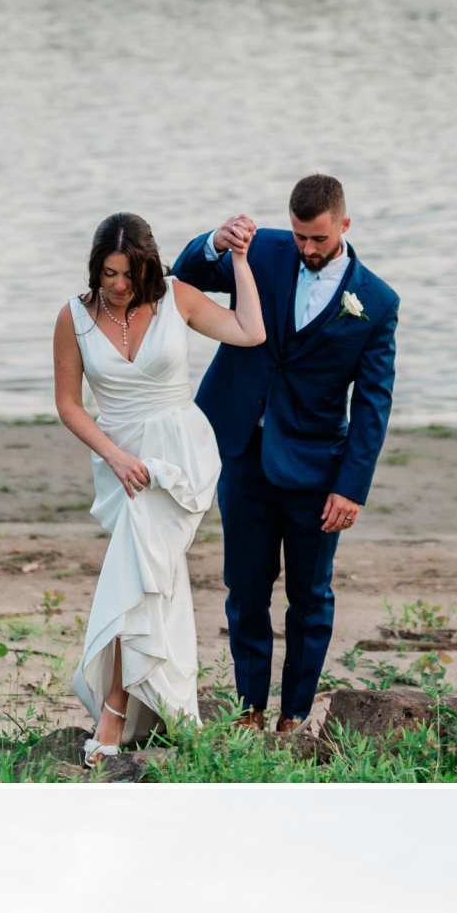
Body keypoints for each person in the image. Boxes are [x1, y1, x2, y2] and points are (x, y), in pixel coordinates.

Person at [172, 175, 399, 732]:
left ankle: (293, 715)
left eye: (318, 239)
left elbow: (373, 403)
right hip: (242, 451)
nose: (307, 249)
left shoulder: (376, 302)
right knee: (245, 589)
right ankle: (249, 709)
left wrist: (351, 486)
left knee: (310, 597)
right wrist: (215, 241)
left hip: (317, 469)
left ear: (344, 226)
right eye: (300, 236)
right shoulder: (267, 249)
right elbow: (187, 277)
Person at [55, 211, 265, 766]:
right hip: (121, 461)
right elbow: (69, 405)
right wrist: (115, 455)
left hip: (178, 458)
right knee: (154, 581)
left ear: (146, 266)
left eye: (128, 274)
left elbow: (251, 331)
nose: (118, 286)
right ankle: (171, 706)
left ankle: (115, 709)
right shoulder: (74, 318)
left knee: (139, 573)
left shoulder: (177, 297)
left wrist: (240, 261)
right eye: (107, 274)